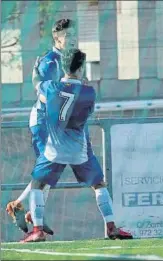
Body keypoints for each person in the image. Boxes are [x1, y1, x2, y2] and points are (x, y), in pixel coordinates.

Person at [20, 48, 133, 243]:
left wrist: (35, 75)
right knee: (98, 184)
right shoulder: (88, 92)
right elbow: (85, 112)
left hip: (54, 149)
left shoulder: (50, 87)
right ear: (80, 68)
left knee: (38, 184)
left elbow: (39, 88)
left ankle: (37, 230)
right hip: (79, 150)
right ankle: (111, 227)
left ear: (62, 67)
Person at [7, 18, 87, 235]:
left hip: (60, 124)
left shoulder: (75, 59)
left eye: (74, 35)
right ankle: (30, 215)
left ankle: (26, 210)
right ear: (56, 38)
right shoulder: (50, 61)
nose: (72, 39)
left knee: (54, 168)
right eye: (67, 36)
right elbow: (43, 92)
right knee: (48, 167)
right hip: (44, 122)